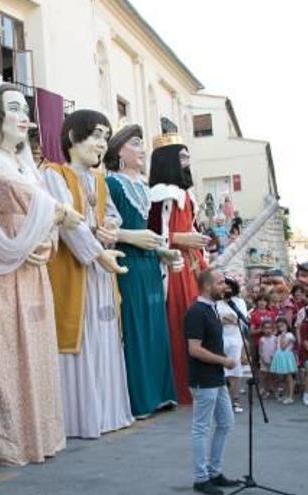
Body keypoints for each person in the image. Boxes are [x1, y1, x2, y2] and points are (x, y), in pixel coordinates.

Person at [0, 82, 79, 464]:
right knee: (5, 356)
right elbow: (37, 202)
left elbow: (45, 206)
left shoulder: (25, 165)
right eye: (14, 107)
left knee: (36, 351)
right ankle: (8, 441)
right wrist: (59, 213)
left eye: (25, 108)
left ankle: (40, 435)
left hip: (32, 264)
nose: (24, 115)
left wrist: (48, 229)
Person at [43, 109, 134, 439]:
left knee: (106, 338)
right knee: (80, 337)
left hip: (101, 270)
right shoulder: (53, 174)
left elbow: (111, 216)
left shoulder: (99, 180)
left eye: (105, 138)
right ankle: (81, 419)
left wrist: (110, 228)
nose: (102, 144)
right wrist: (98, 251)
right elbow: (70, 226)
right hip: (75, 267)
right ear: (72, 137)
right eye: (96, 135)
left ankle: (109, 413)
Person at [104, 124, 181, 418]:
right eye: (135, 143)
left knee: (155, 327)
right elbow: (104, 226)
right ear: (119, 150)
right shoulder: (111, 184)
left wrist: (161, 250)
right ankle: (141, 398)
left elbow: (149, 231)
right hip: (129, 263)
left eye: (141, 144)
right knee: (136, 328)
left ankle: (161, 393)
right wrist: (130, 236)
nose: (142, 150)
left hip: (149, 262)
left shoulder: (144, 187)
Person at [147, 127, 209, 404]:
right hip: (173, 268)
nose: (187, 163)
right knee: (180, 323)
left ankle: (201, 381)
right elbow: (153, 233)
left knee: (200, 323)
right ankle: (183, 385)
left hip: (193, 265)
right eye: (182, 158)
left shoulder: (188, 195)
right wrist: (180, 238)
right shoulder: (160, 194)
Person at [184, 270, 241, 495]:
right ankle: (201, 477)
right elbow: (194, 349)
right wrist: (224, 361)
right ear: (208, 287)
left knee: (226, 423)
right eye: (220, 283)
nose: (225, 287)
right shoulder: (196, 312)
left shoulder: (212, 309)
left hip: (216, 377)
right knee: (201, 428)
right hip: (203, 378)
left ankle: (214, 472)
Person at [217, 277, 247, 413]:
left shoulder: (239, 302)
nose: (227, 289)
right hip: (219, 338)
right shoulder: (216, 302)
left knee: (235, 368)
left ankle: (235, 399)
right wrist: (224, 319)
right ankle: (221, 401)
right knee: (219, 369)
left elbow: (239, 320)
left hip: (235, 338)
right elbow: (215, 319)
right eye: (224, 286)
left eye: (229, 286)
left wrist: (227, 318)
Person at [269, 317, 298, 404]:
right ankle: (286, 394)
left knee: (289, 377)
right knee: (284, 377)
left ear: (286, 325)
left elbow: (283, 347)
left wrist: (282, 336)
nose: (281, 328)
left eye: (282, 326)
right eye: (279, 327)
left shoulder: (289, 335)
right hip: (280, 356)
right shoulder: (279, 336)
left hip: (286, 356)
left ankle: (291, 396)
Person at [257, 319, 277, 397]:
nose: (268, 330)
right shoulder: (262, 339)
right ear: (262, 329)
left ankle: (274, 389)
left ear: (272, 329)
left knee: (273, 376)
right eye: (265, 328)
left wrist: (274, 358)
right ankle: (264, 389)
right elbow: (260, 350)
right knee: (264, 375)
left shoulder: (275, 338)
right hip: (264, 360)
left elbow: (276, 349)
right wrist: (263, 359)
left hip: (273, 360)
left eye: (269, 328)